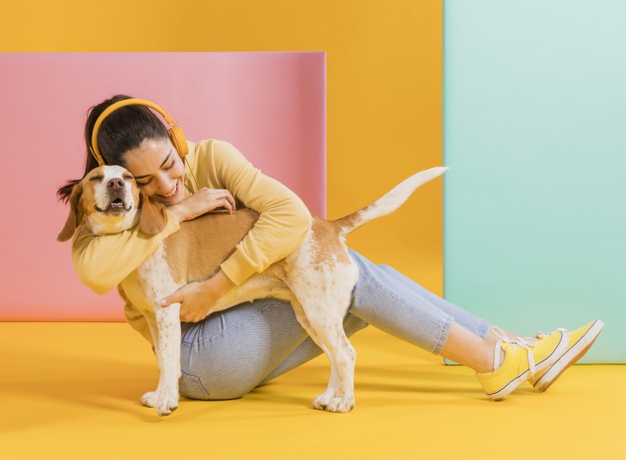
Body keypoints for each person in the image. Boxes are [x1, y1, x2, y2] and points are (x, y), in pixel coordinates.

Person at [57, 95, 603, 403]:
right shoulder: (117, 209)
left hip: (236, 318)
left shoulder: (214, 157)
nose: (166, 184)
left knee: (343, 273)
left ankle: (503, 349)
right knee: (354, 274)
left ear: (178, 141)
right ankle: (499, 354)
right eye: (143, 180)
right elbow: (94, 273)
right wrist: (180, 211)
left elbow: (292, 215)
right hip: (198, 365)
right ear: (115, 181)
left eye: (170, 165)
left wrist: (219, 284)